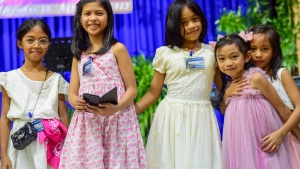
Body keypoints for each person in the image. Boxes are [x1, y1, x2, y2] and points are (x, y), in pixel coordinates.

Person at [58, 0, 147, 168]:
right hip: (88, 121)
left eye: (99, 13)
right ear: (79, 19)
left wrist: (117, 107)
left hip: (117, 119)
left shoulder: (118, 49)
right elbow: (72, 93)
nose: (93, 18)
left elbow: (132, 89)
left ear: (108, 17)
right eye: (87, 14)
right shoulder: (79, 55)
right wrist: (74, 101)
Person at [135, 0, 222, 168]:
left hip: (202, 117)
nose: (191, 26)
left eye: (195, 19)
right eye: (184, 23)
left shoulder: (212, 52)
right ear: (174, 25)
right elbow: (153, 93)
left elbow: (222, 89)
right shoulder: (165, 53)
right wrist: (131, 111)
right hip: (171, 117)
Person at [215, 34, 298, 169]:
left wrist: (298, 135)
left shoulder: (256, 78)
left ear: (247, 57)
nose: (228, 63)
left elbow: (281, 108)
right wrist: (227, 95)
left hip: (262, 139)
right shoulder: (228, 85)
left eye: (234, 57)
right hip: (240, 143)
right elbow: (224, 110)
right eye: (221, 59)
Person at [0, 18, 69, 169]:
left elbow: (63, 115)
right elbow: (5, 118)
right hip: (20, 144)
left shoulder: (57, 80)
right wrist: (3, 155)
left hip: (50, 146)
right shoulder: (9, 79)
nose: (36, 45)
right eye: (30, 40)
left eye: (43, 41)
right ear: (20, 43)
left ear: (49, 45)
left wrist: (68, 150)